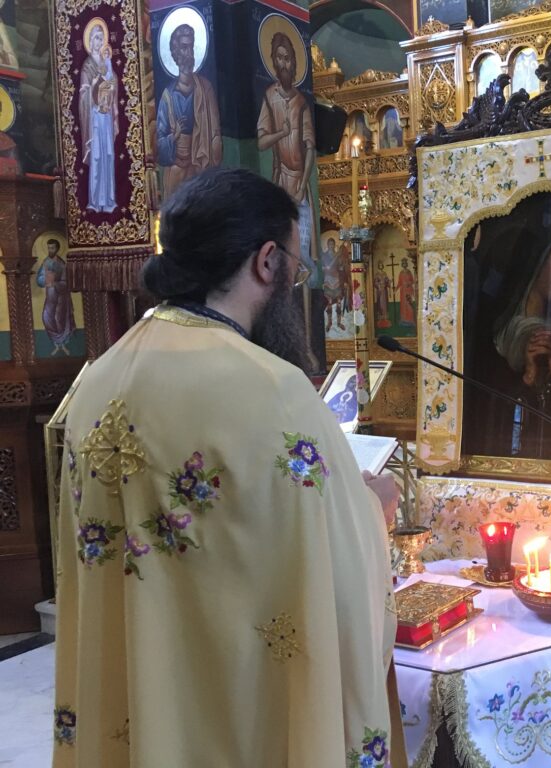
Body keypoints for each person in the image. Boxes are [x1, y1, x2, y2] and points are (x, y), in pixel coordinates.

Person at [52, 168, 406, 767]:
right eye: (294, 266)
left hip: (136, 694)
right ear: (266, 262)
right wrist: (373, 508)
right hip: (234, 715)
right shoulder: (273, 390)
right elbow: (337, 569)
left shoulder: (98, 379)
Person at [257, 32, 317, 281]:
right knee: (278, 251)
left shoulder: (301, 102)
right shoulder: (269, 97)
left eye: (288, 58)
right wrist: (281, 133)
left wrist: (302, 186)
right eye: (279, 58)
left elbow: (310, 147)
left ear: (294, 62)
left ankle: (303, 289)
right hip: (279, 181)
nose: (284, 64)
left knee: (303, 254)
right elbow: (261, 142)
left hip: (299, 183)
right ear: (274, 60)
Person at [156, 23, 223, 198]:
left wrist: (212, 167)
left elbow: (215, 133)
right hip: (175, 171)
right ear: (175, 53)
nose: (189, 53)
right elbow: (159, 143)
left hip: (200, 167)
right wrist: (174, 137)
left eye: (191, 47)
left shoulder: (205, 89)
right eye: (184, 48)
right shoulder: (167, 96)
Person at [79, 21, 117, 213]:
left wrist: (109, 84)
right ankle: (94, 201)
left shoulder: (105, 62)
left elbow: (113, 85)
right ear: (90, 40)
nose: (98, 42)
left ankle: (109, 200)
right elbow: (83, 94)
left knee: (108, 155)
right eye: (95, 38)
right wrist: (94, 85)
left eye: (101, 38)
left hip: (105, 116)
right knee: (97, 156)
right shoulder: (87, 66)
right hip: (94, 118)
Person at [35, 238, 75, 355]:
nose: (50, 250)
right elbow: (39, 280)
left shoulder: (62, 264)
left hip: (61, 298)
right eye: (48, 248)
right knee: (46, 317)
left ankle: (61, 345)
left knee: (59, 319)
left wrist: (54, 283)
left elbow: (66, 283)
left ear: (57, 249)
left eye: (52, 248)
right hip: (50, 297)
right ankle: (56, 342)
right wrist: (45, 280)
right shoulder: (45, 262)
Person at [397, 257, 416, 328]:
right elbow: (399, 283)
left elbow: (412, 281)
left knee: (409, 305)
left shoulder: (409, 272)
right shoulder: (401, 273)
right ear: (402, 264)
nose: (404, 264)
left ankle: (411, 320)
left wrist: (408, 283)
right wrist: (395, 289)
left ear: (407, 264)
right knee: (403, 306)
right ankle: (404, 320)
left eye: (405, 263)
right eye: (403, 263)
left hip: (408, 291)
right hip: (403, 292)